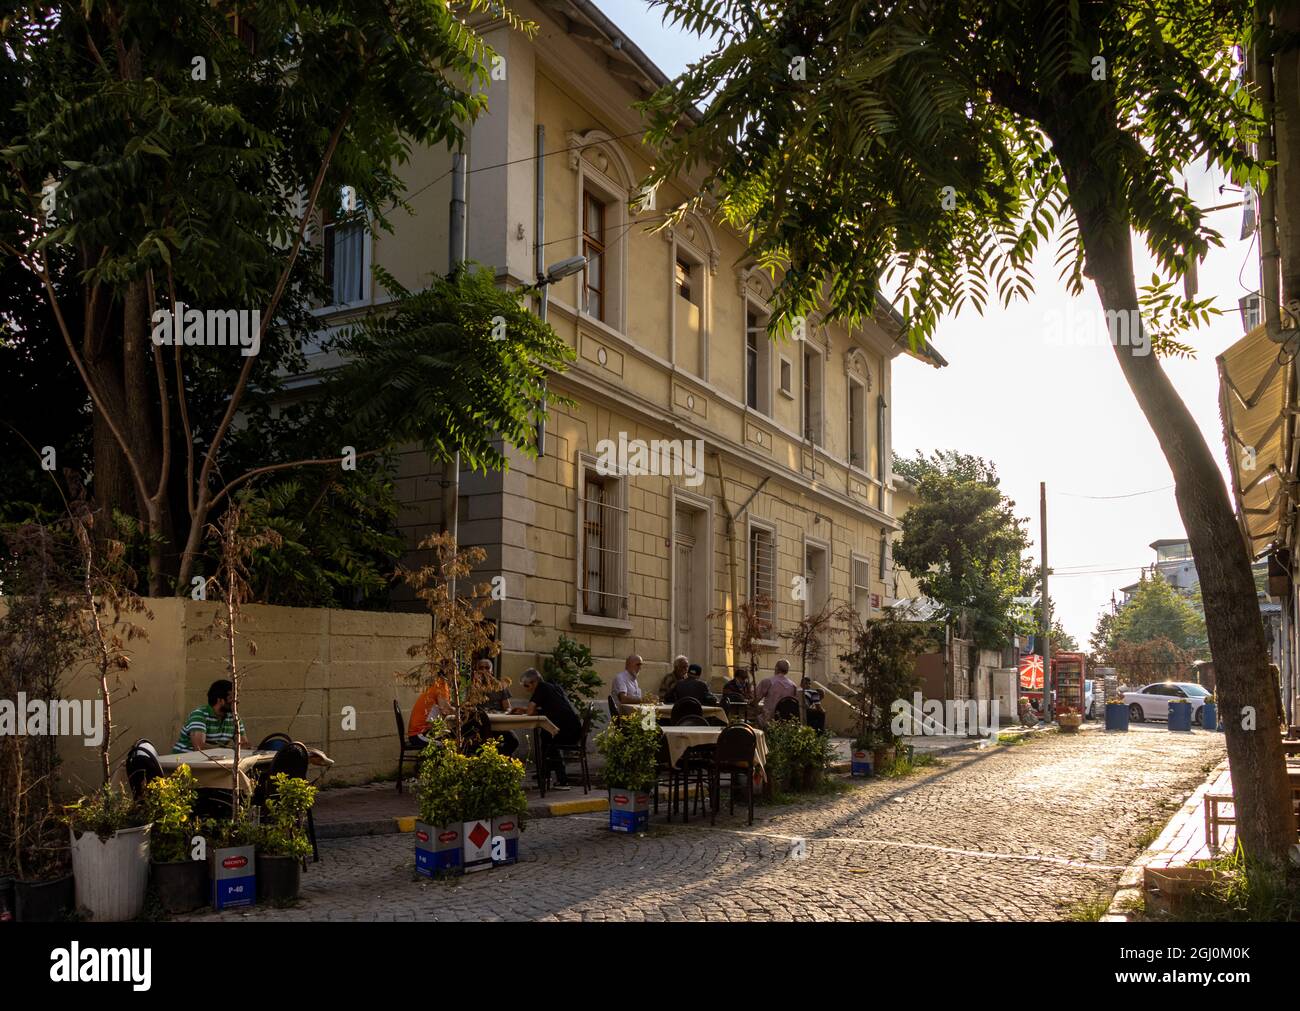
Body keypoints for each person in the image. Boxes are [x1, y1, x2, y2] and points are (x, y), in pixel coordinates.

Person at [519, 668, 581, 789]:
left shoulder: (541, 688)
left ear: (534, 682)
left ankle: (562, 781)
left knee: (549, 740)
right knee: (545, 736)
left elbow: (531, 711)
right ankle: (545, 774)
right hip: (574, 729)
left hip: (567, 733)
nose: (527, 689)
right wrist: (523, 710)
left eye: (527, 685)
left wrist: (526, 710)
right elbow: (551, 709)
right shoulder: (552, 687)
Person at [174, 680, 250, 753]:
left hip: (213, 761)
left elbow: (243, 745)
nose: (237, 701)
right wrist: (230, 749)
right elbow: (200, 747)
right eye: (232, 698)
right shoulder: (199, 715)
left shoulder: (234, 717)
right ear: (220, 700)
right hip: (184, 761)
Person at [406, 676, 452, 748]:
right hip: (418, 735)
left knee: (448, 737)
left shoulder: (437, 685)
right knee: (446, 744)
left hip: (421, 733)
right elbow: (445, 710)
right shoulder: (442, 686)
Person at [755, 659, 798, 724]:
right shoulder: (793, 685)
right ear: (787, 671)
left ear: (776, 668)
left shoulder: (768, 681)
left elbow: (756, 699)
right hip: (786, 720)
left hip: (769, 718)